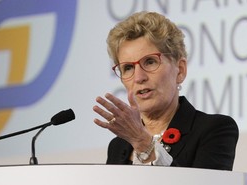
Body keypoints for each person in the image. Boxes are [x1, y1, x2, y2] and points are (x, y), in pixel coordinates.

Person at [93, 11, 238, 170]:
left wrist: (142, 143)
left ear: (180, 70)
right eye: (128, 68)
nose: (139, 77)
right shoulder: (119, 146)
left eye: (149, 62)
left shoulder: (213, 130)